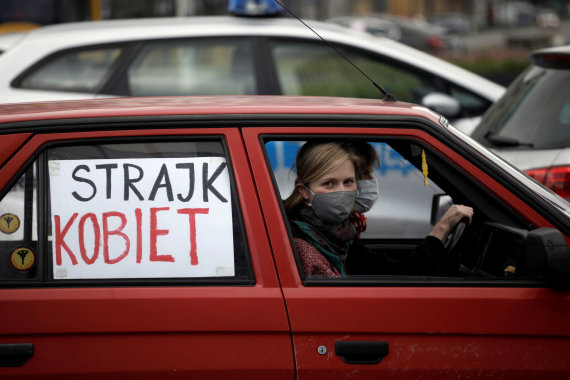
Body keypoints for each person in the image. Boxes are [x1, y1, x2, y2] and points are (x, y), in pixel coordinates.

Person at [285, 140, 474, 278]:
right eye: (329, 183)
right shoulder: (300, 241)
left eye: (348, 181)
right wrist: (442, 229)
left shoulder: (340, 232)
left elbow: (394, 271)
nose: (342, 191)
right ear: (305, 192)